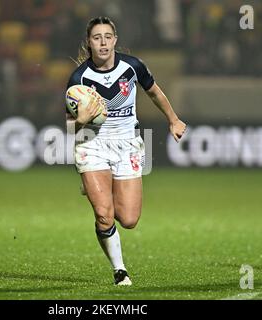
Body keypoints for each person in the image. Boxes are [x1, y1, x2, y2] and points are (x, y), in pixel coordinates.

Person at [65, 16, 186, 286]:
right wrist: (81, 119)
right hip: (92, 146)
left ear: (115, 40)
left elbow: (154, 93)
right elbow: (70, 126)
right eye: (97, 37)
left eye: (108, 36)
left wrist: (173, 119)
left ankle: (99, 190)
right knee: (104, 213)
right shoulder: (80, 78)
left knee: (129, 219)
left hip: (127, 144)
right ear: (89, 43)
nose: (103, 42)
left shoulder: (132, 67)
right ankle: (120, 271)